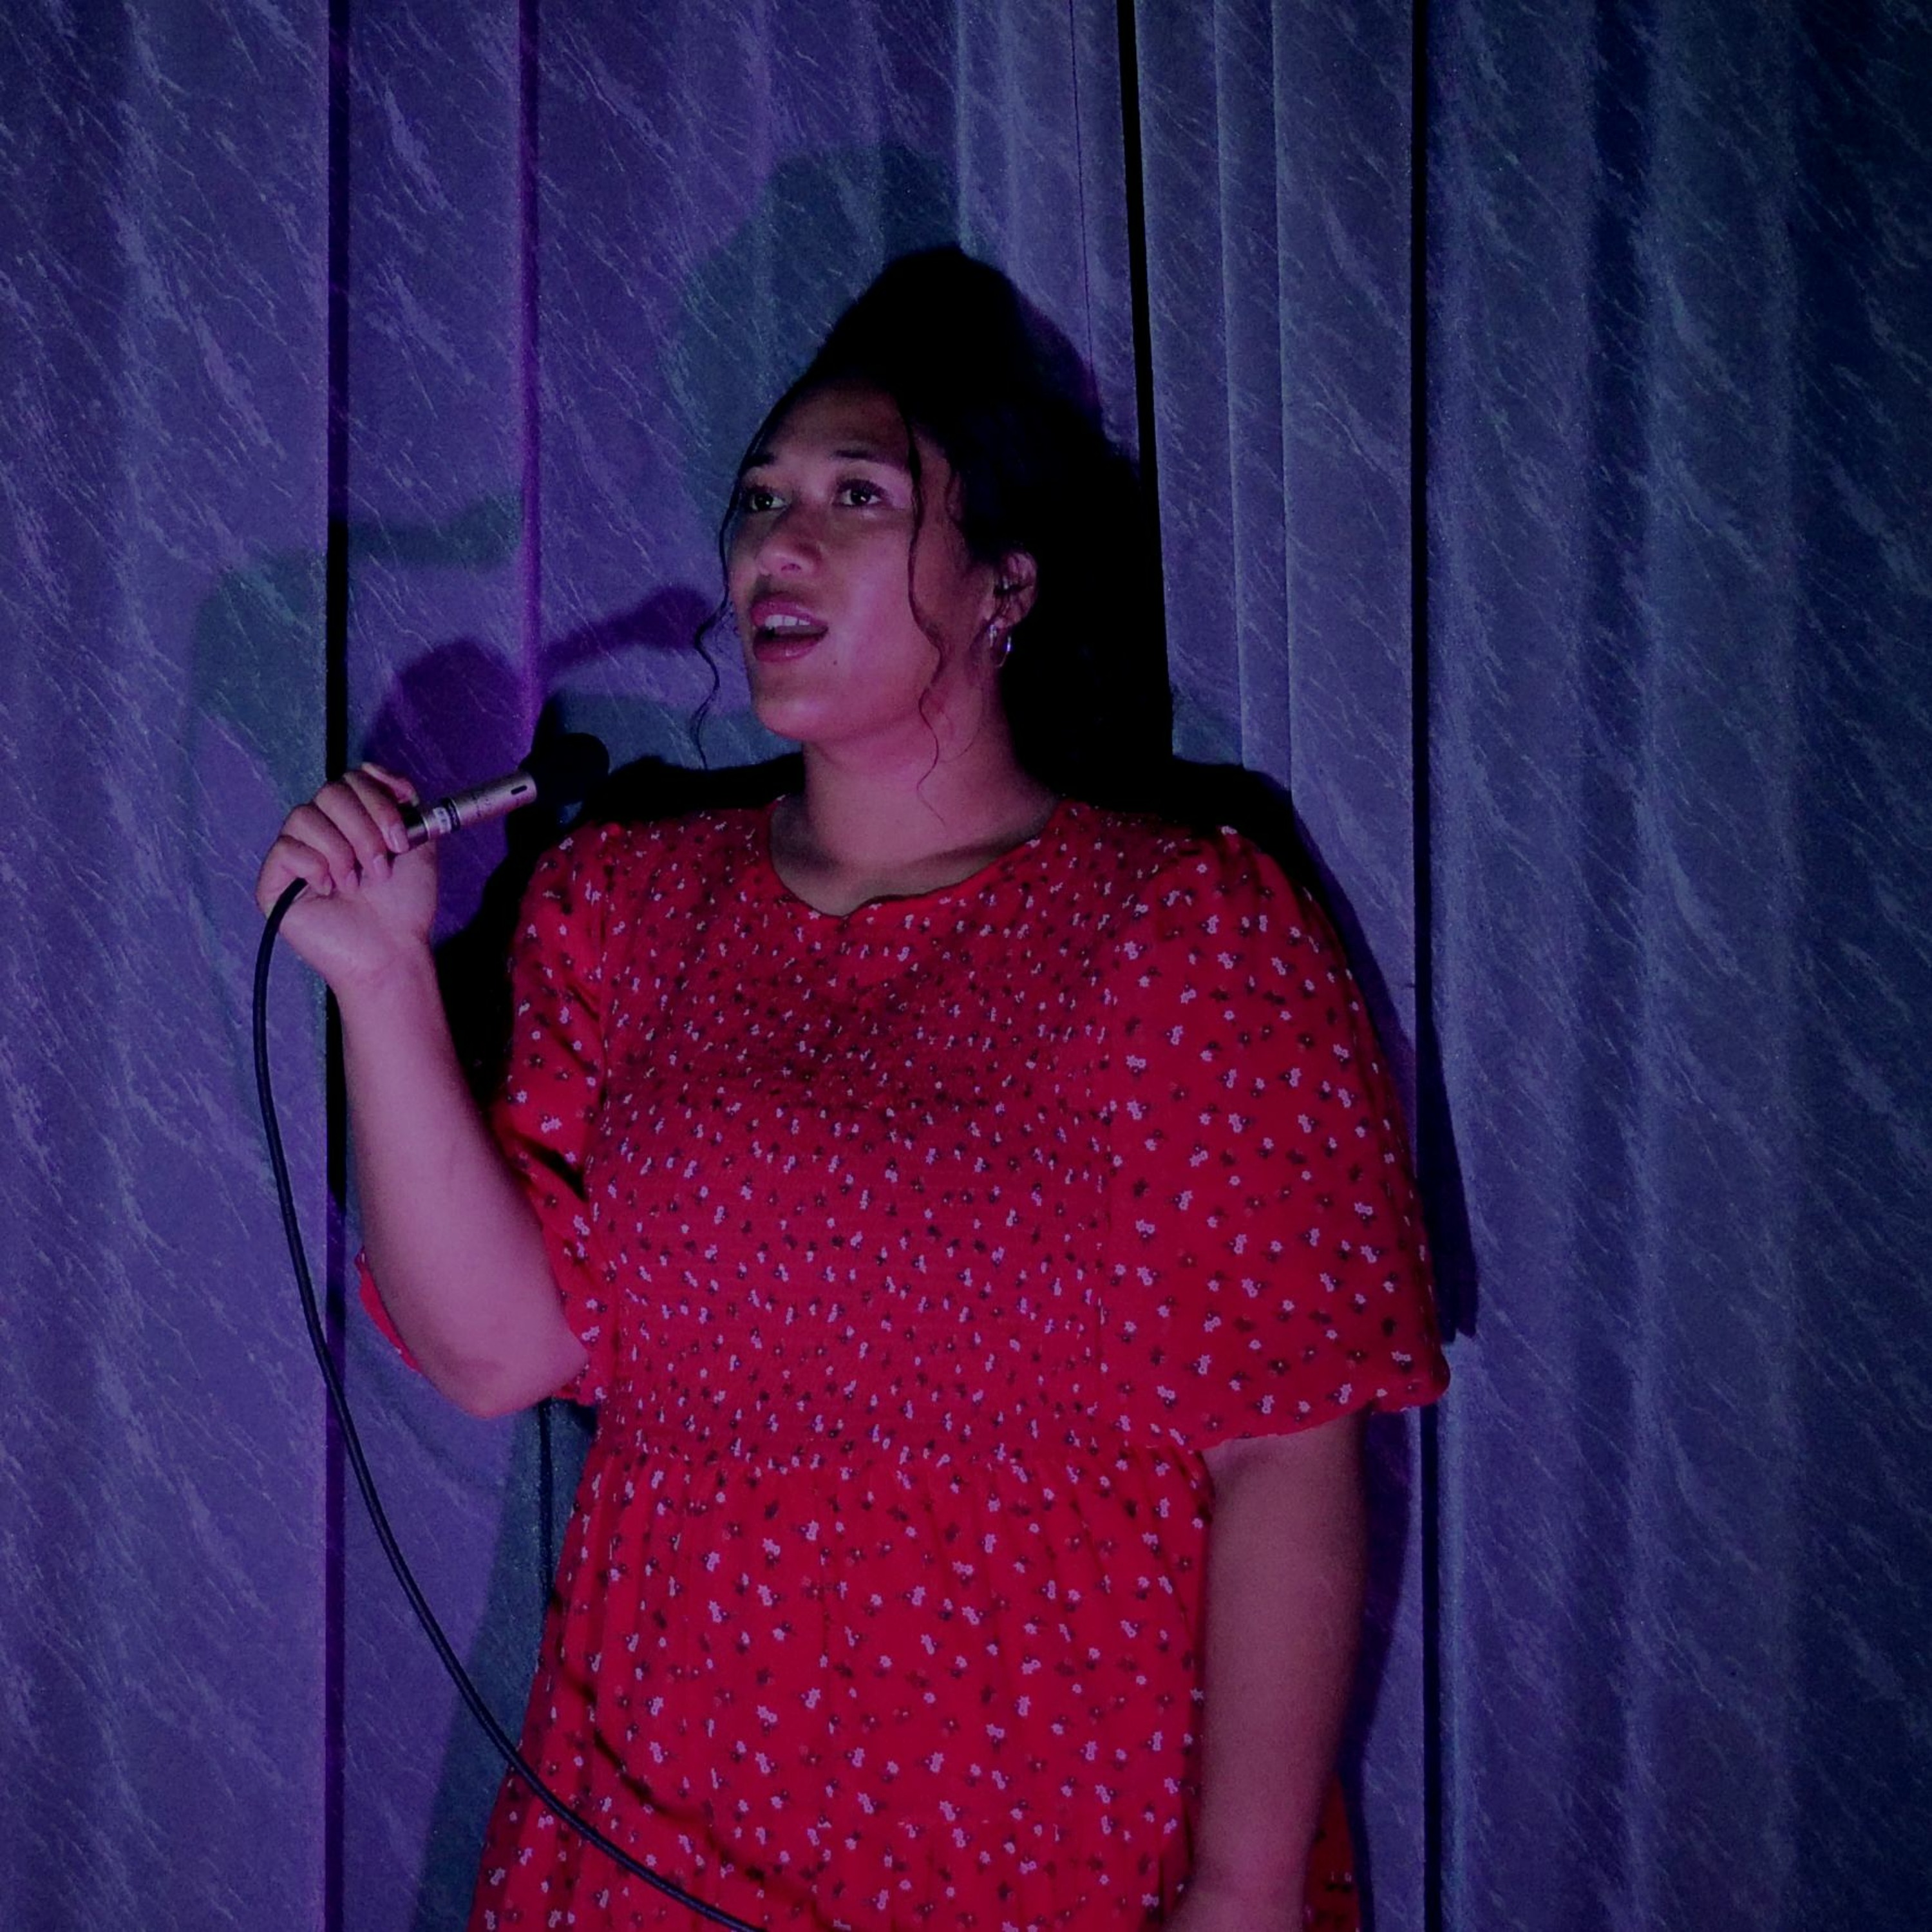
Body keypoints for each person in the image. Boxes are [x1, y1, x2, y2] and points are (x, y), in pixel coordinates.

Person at [257, 248, 1448, 1932]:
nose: (777, 542)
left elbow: (1286, 1447)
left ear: (1005, 583)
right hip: (658, 1802)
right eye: (759, 499)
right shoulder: (623, 906)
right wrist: (383, 985)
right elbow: (502, 1352)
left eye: (856, 496)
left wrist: (1244, 1891)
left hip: (1047, 1805)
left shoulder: (1187, 923)